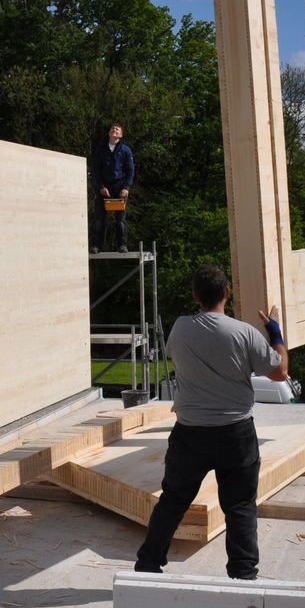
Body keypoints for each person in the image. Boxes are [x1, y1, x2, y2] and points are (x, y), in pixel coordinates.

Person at [135, 266, 282, 580]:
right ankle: (243, 576)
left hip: (190, 434)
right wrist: (276, 333)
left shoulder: (180, 329)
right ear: (227, 293)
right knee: (240, 506)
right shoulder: (245, 333)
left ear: (195, 296)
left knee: (173, 501)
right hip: (236, 434)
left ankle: (147, 567)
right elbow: (280, 372)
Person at [89, 123, 136, 253]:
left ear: (121, 135)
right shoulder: (101, 149)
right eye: (112, 128)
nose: (114, 130)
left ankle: (122, 245)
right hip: (104, 188)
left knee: (120, 219)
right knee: (99, 219)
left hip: (119, 188)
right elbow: (95, 170)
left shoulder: (126, 150)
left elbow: (130, 170)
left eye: (117, 129)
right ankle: (96, 246)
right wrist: (100, 186)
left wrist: (126, 187)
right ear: (109, 133)